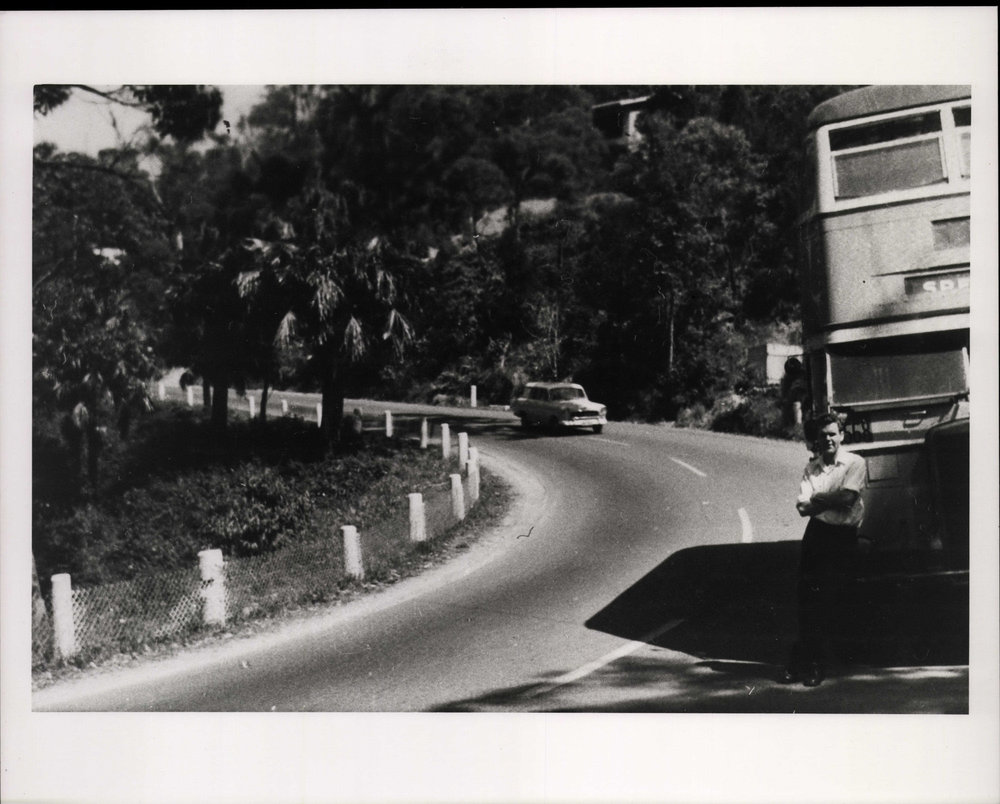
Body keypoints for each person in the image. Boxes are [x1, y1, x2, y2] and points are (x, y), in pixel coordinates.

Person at [783, 412, 866, 687]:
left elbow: (848, 498)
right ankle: (811, 663)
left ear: (841, 435)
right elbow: (803, 508)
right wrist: (830, 500)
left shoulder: (855, 463)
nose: (828, 439)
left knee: (838, 597)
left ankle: (838, 656)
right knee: (809, 599)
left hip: (843, 537)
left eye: (832, 433)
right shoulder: (811, 469)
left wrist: (820, 497)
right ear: (817, 441)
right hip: (817, 537)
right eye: (823, 435)